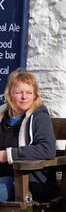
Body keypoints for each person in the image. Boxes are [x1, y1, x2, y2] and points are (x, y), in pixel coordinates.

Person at [0, 68, 58, 202]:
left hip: (27, 181)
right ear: (9, 94)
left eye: (29, 92)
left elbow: (47, 149)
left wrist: (6, 155)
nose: (24, 97)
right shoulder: (2, 117)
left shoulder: (39, 117)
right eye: (19, 92)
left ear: (35, 95)